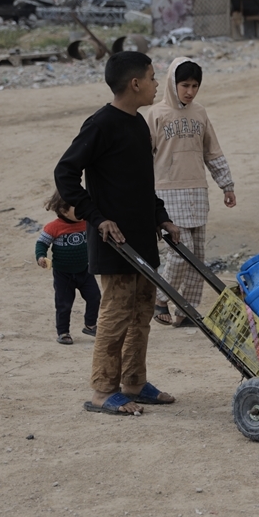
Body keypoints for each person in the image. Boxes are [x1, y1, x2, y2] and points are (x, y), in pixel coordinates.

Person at [55, 51, 181, 417]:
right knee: (116, 314)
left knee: (142, 313)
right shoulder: (101, 124)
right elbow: (65, 173)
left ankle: (134, 383)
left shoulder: (139, 123)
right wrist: (96, 217)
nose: (158, 84)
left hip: (143, 236)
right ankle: (102, 391)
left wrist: (161, 216)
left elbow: (142, 183)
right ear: (135, 83)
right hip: (115, 242)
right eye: (153, 77)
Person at [146, 57, 236, 327]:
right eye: (185, 84)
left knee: (197, 255)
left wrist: (227, 185)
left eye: (195, 85)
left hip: (197, 191)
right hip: (166, 193)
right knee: (177, 251)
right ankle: (160, 299)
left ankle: (186, 309)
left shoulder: (200, 113)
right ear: (173, 84)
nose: (190, 91)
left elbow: (213, 151)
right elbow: (141, 158)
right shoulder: (155, 114)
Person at [35, 190, 101, 345]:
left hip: (85, 270)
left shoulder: (87, 222)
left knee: (95, 297)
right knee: (64, 304)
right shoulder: (53, 227)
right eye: (78, 208)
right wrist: (40, 257)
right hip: (63, 274)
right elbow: (42, 243)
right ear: (63, 210)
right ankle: (63, 332)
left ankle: (90, 325)